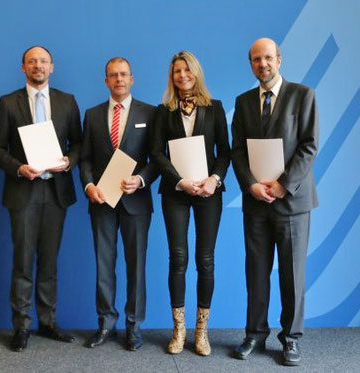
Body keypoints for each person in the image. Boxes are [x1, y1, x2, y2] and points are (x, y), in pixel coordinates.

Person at [230, 37, 319, 366]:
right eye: (256, 59)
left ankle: (291, 339)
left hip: (292, 202)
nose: (262, 64)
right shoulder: (243, 102)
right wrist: (251, 185)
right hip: (256, 202)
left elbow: (309, 145)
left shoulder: (303, 95)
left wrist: (283, 185)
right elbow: (237, 149)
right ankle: (254, 334)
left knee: (291, 274)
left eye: (268, 58)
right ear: (251, 64)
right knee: (256, 271)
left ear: (279, 60)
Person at [0, 45, 82, 352]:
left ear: (52, 67)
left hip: (56, 191)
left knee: (49, 261)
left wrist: (68, 161)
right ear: (23, 68)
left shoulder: (67, 102)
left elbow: (80, 144)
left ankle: (48, 321)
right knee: (23, 260)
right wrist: (18, 168)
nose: (37, 66)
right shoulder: (8, 102)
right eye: (31, 62)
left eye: (43, 61)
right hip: (23, 190)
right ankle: (21, 325)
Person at [150, 51, 230, 356]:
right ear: (171, 77)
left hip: (209, 193)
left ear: (196, 72)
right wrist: (179, 181)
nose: (182, 75)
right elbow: (156, 153)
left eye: (186, 70)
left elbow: (225, 151)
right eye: (176, 71)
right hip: (176, 193)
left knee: (205, 259)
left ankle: (201, 330)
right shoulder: (163, 111)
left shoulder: (215, 108)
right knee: (178, 258)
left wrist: (214, 179)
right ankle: (178, 329)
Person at [79, 57, 157, 351]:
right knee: (104, 264)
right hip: (101, 202)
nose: (119, 79)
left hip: (136, 202)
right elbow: (85, 158)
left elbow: (157, 159)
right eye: (113, 75)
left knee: (136, 266)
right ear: (106, 81)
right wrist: (88, 185)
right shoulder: (93, 114)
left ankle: (134, 326)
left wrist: (142, 179)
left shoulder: (149, 113)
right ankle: (106, 324)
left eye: (124, 75)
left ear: (132, 79)